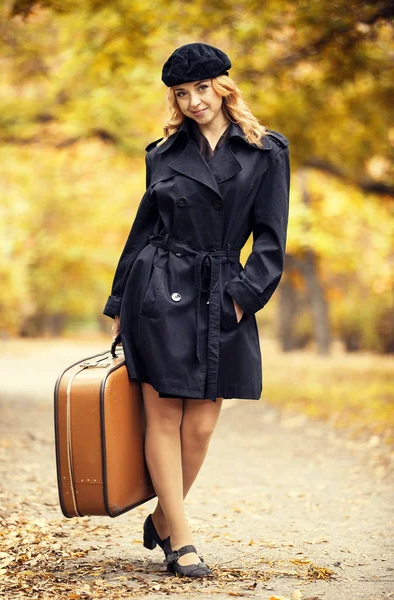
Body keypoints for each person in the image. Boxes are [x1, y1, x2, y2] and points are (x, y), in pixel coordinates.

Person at [103, 42, 290, 578]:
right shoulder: (161, 154)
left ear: (224, 87)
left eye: (202, 89)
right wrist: (120, 301)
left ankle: (164, 515)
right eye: (182, 94)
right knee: (164, 414)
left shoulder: (266, 151)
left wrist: (242, 297)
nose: (193, 102)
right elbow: (143, 233)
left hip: (224, 292)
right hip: (159, 289)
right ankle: (182, 539)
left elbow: (272, 241)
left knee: (202, 423)